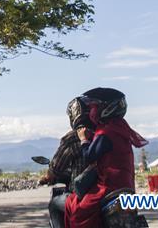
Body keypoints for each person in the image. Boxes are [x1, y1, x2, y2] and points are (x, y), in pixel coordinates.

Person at [65, 88, 148, 228]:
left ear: (107, 109)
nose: (92, 111)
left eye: (95, 107)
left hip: (108, 186)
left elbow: (89, 157)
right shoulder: (121, 128)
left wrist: (83, 139)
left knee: (75, 209)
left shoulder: (106, 132)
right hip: (127, 185)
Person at [41, 97, 95, 228]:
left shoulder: (72, 138)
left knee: (54, 204)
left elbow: (55, 168)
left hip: (81, 195)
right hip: (106, 189)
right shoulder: (102, 133)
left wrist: (47, 177)